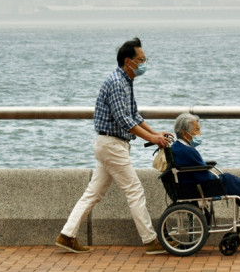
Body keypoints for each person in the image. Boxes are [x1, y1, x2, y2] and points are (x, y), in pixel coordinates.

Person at [56, 37, 173, 255]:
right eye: (141, 59)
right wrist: (152, 139)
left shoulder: (125, 81)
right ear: (128, 61)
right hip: (112, 144)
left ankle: (67, 235)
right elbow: (124, 120)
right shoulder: (117, 83)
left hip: (108, 143)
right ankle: (150, 241)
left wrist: (155, 133)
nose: (144, 63)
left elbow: (134, 115)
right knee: (135, 190)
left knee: (93, 193)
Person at [170, 112, 240, 242]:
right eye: (196, 130)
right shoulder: (187, 151)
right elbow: (202, 174)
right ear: (184, 133)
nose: (199, 133)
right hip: (203, 186)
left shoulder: (179, 147)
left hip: (196, 183)